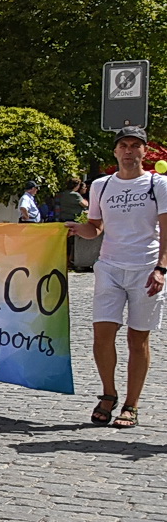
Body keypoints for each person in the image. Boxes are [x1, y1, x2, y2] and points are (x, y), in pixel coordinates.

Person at [69, 127, 167, 429]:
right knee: (102, 334)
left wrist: (162, 268)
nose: (128, 151)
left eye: (135, 146)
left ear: (144, 152)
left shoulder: (158, 184)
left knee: (138, 339)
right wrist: (73, 229)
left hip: (146, 268)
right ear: (115, 151)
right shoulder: (101, 185)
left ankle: (131, 404)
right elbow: (95, 228)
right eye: (123, 145)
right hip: (109, 266)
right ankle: (108, 394)